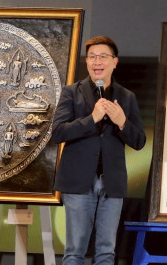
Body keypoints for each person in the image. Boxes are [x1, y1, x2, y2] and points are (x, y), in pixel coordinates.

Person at [52, 36, 146, 265]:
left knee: (106, 251)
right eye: (92, 57)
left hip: (111, 182)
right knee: (75, 251)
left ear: (115, 62)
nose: (97, 62)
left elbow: (139, 141)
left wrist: (122, 122)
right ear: (87, 62)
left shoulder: (127, 97)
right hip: (78, 181)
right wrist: (92, 118)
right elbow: (58, 133)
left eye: (103, 56)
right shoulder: (71, 92)